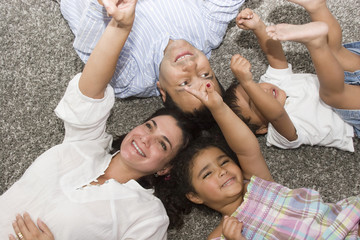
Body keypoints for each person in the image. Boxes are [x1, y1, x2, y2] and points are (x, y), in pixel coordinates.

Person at [1, 1, 197, 239]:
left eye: (162, 144)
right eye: (149, 126)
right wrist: (121, 26)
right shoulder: (87, 144)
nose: (146, 139)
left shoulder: (148, 215)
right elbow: (90, 91)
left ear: (165, 167)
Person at [162, 74, 360, 239]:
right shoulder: (221, 235)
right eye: (207, 174)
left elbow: (245, 147)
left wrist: (217, 106)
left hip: (343, 223)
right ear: (195, 196)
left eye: (224, 162)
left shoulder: (256, 185)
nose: (221, 171)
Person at [60, 0, 245, 126]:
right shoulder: (209, 33)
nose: (190, 66)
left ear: (162, 92)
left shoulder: (131, 79)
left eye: (184, 83)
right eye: (205, 74)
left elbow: (90, 48)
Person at [224, 1, 360, 152]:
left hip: (350, 76)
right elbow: (277, 115)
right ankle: (316, 44)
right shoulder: (278, 133)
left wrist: (258, 27)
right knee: (332, 96)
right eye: (253, 100)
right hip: (354, 114)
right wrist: (248, 83)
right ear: (262, 129)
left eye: (255, 87)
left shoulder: (273, 82)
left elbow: (273, 54)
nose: (261, 91)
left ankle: (317, 7)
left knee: (334, 53)